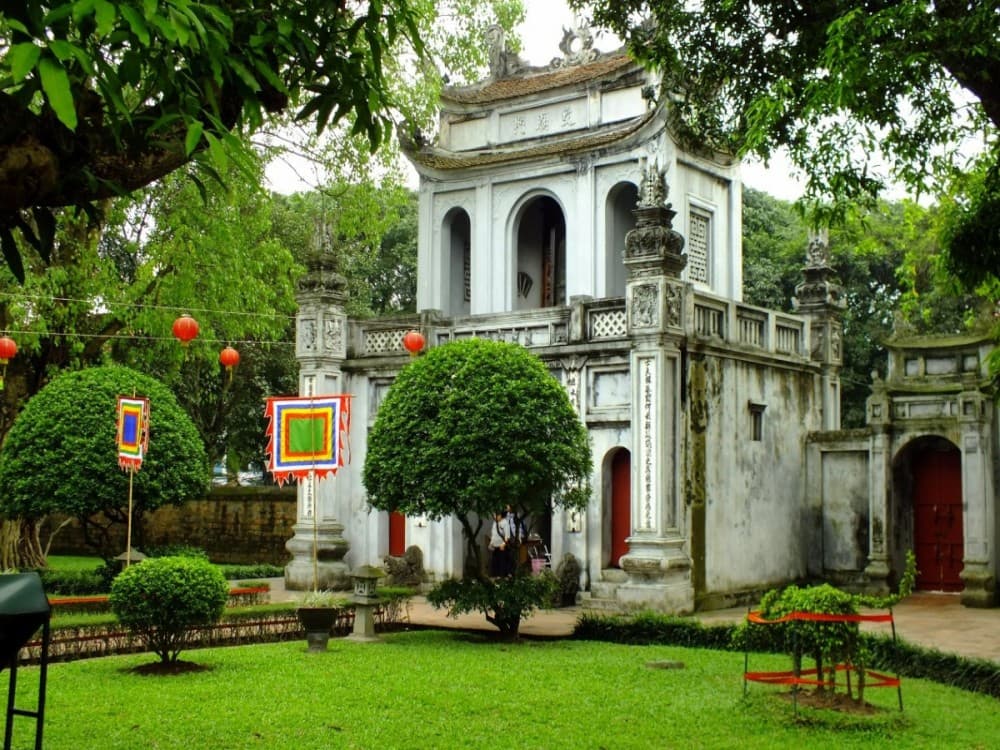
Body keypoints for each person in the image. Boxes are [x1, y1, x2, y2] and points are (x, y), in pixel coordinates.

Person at [488, 510, 512, 577]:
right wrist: (491, 543)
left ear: (500, 515)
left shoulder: (505, 523)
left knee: (502, 563)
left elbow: (507, 536)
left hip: (502, 547)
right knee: (495, 562)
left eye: (496, 515)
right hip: (495, 546)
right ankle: (496, 576)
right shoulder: (495, 523)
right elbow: (493, 534)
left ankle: (502, 577)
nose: (494, 516)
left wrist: (503, 544)